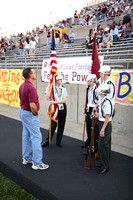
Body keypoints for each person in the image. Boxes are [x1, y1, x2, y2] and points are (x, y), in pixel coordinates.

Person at [19, 68, 49, 170]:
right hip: (29, 114)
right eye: (34, 72)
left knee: (26, 135)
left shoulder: (23, 85)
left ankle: (26, 158)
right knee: (36, 137)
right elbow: (32, 105)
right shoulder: (31, 88)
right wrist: (35, 114)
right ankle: (37, 163)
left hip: (23, 112)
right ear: (30, 75)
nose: (35, 74)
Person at [42, 74, 67, 148]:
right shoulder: (50, 87)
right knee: (53, 126)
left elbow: (64, 100)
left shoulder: (63, 88)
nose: (61, 81)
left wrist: (54, 102)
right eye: (59, 80)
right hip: (54, 108)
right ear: (56, 81)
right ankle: (47, 141)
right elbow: (47, 97)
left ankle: (58, 142)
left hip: (62, 107)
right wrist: (50, 88)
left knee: (61, 125)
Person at [96, 83, 114, 174]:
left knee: (103, 146)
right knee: (102, 145)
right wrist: (97, 115)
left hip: (105, 125)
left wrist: (102, 129)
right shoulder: (103, 99)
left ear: (102, 91)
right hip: (103, 123)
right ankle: (104, 163)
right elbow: (103, 114)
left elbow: (107, 116)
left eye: (99, 90)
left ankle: (105, 166)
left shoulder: (107, 101)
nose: (98, 91)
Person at [82, 74, 99, 155]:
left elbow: (100, 99)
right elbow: (88, 100)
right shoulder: (89, 89)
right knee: (88, 127)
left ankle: (94, 149)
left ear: (93, 81)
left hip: (93, 109)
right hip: (89, 108)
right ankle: (89, 146)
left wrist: (95, 108)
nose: (87, 82)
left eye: (89, 81)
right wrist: (85, 109)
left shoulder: (96, 89)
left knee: (94, 129)